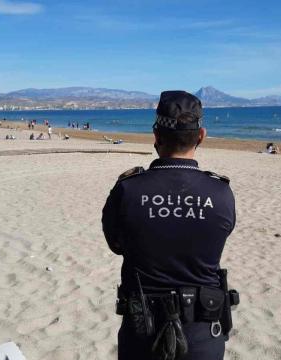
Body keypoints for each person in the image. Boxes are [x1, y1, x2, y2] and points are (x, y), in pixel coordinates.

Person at [102, 91, 238, 360]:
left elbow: (116, 245)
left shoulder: (128, 190)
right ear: (201, 136)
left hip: (142, 332)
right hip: (203, 333)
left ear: (156, 134)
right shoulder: (220, 193)